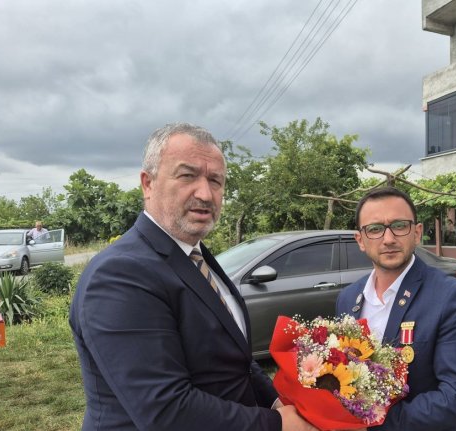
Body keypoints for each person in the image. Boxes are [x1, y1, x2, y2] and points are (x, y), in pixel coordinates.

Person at [69, 123, 317, 431]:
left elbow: (236, 360)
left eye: (216, 180)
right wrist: (276, 424)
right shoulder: (120, 274)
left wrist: (276, 401)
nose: (205, 193)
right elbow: (166, 410)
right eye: (187, 175)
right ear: (148, 184)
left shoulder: (195, 256)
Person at [336, 187, 456, 431]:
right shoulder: (349, 298)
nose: (388, 238)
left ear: (416, 233)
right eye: (375, 229)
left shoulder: (451, 297)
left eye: (399, 225)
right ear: (360, 240)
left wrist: (372, 420)